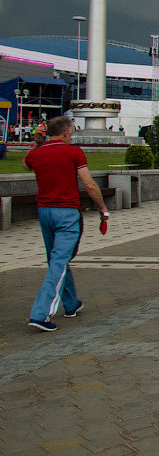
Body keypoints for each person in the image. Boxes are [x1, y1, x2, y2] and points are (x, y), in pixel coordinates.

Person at [24, 116, 110, 331]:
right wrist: (102, 208)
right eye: (70, 132)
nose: (71, 136)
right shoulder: (73, 152)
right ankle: (40, 313)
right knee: (59, 261)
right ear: (65, 133)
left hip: (45, 212)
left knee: (56, 258)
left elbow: (26, 164)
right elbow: (89, 184)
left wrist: (36, 144)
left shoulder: (38, 153)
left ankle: (71, 304)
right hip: (67, 212)